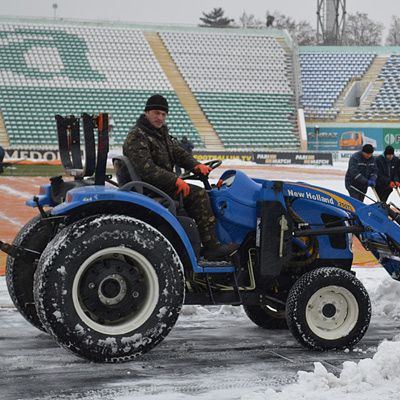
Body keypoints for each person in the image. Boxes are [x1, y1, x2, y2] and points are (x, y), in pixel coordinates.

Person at [123, 94, 239, 261]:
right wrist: (174, 180)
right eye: (156, 113)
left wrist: (196, 165)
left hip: (159, 184)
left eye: (163, 114)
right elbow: (147, 169)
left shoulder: (160, 135)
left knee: (206, 190)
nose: (160, 117)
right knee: (199, 194)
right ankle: (211, 246)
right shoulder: (138, 136)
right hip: (150, 187)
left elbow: (180, 153)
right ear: (147, 113)